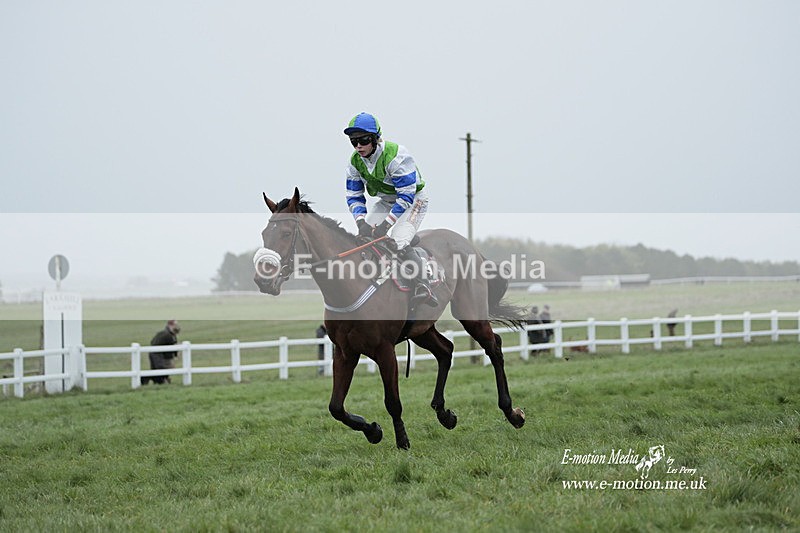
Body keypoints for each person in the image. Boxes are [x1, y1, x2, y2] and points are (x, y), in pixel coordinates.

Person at [343, 112, 438, 308]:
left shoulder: (396, 155)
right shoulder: (354, 162)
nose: (358, 146)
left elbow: (406, 196)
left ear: (375, 138)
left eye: (363, 140)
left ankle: (423, 285)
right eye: (354, 141)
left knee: (397, 241)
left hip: (413, 201)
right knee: (363, 241)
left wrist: (386, 224)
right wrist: (360, 221)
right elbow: (354, 195)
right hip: (387, 201)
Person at [142, 320, 181, 385]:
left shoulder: (165, 333)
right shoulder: (168, 335)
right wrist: (174, 356)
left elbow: (152, 342)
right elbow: (171, 348)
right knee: (161, 369)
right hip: (157, 355)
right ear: (170, 325)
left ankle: (158, 381)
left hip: (154, 353)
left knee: (158, 370)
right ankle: (147, 378)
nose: (176, 327)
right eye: (175, 325)